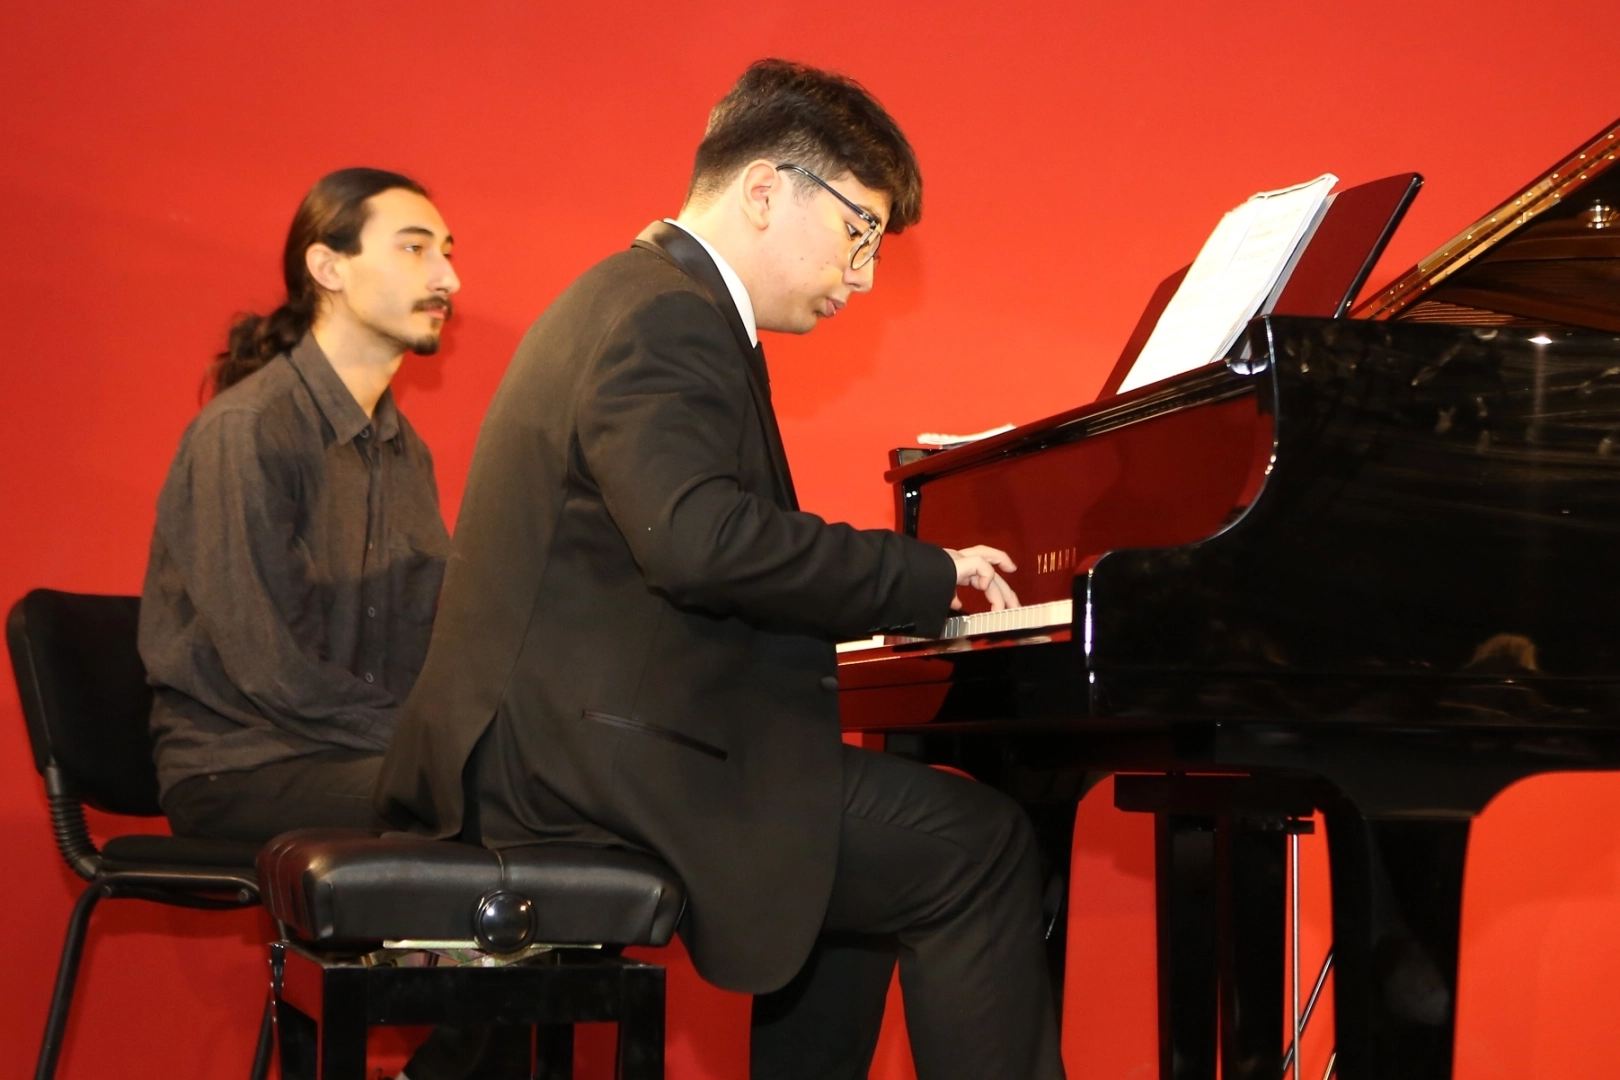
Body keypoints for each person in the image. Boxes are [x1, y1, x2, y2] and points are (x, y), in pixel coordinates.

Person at [376, 60, 1066, 1080]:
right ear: (765, 190)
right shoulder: (668, 316)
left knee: (862, 864)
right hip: (578, 772)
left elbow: (682, 549)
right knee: (983, 848)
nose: (864, 276)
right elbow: (700, 540)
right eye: (860, 231)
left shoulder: (633, 294)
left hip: (560, 746)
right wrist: (925, 576)